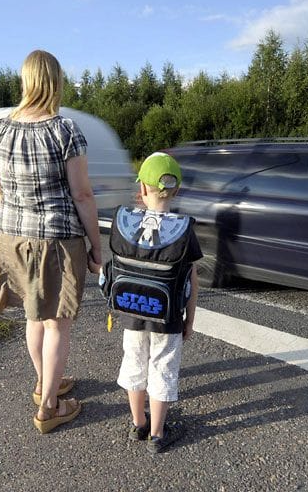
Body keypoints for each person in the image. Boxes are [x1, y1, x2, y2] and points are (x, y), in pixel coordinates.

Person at [0, 50, 102, 434]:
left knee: (33, 316)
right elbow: (82, 195)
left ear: (26, 81)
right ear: (55, 81)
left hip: (11, 237)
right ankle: (51, 407)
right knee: (57, 324)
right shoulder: (64, 130)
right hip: (54, 240)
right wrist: (96, 246)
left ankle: (43, 384)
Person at [103, 152, 202, 453]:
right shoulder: (183, 231)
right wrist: (190, 319)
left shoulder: (125, 224)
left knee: (134, 364)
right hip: (168, 317)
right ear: (178, 190)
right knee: (162, 369)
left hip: (131, 313)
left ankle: (138, 424)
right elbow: (193, 279)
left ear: (142, 189)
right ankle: (157, 434)